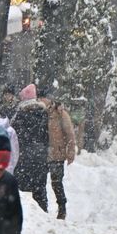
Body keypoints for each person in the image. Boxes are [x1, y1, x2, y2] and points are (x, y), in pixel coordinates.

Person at [38, 86, 76, 220]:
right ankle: (42, 209)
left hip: (57, 153)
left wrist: (70, 152)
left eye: (44, 98)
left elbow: (70, 133)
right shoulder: (40, 112)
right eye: (40, 98)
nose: (42, 100)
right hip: (42, 153)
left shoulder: (60, 113)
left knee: (56, 182)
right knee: (40, 181)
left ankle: (62, 207)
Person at [11, 84, 50, 212]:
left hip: (24, 155)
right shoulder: (44, 114)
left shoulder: (21, 114)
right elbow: (47, 136)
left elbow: (15, 135)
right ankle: (44, 212)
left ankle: (19, 212)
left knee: (19, 187)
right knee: (39, 187)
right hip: (40, 155)